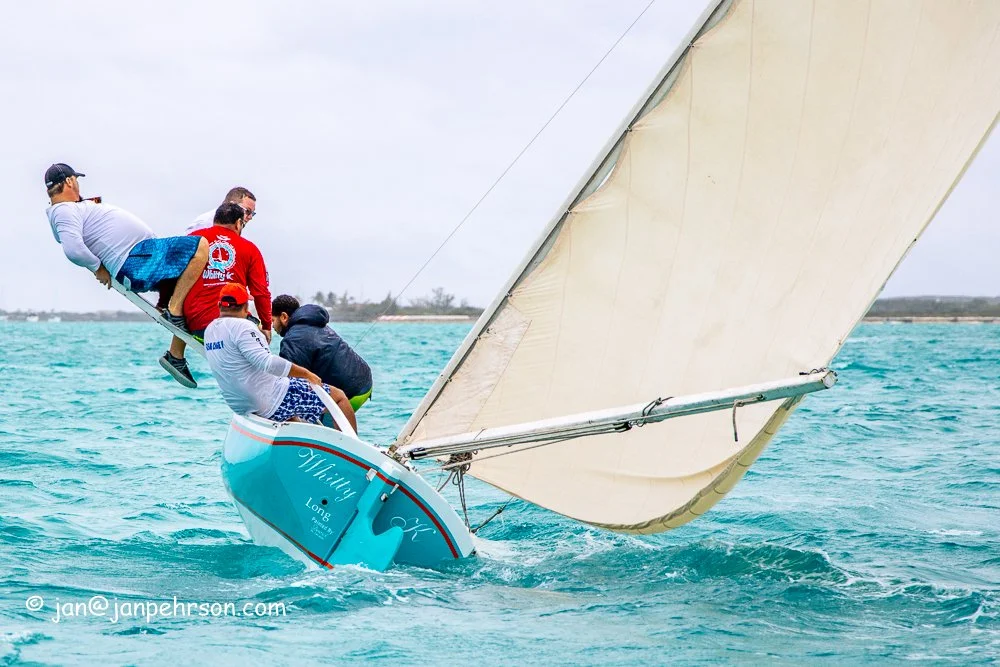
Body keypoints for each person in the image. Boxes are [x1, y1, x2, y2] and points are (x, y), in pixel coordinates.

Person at [44, 161, 209, 338]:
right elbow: (73, 250)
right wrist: (97, 268)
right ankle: (175, 312)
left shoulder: (70, 210)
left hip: (142, 256)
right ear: (69, 181)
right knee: (200, 245)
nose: (78, 184)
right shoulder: (63, 210)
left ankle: (176, 337)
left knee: (186, 279)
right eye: (76, 180)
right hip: (137, 259)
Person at [204, 283, 357, 430]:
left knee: (293, 415)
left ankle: (304, 445)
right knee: (339, 397)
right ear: (245, 307)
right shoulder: (243, 327)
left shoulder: (210, 330)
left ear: (219, 306)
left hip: (240, 405)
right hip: (269, 401)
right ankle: (353, 451)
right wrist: (307, 374)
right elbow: (268, 363)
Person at [159, 201, 272, 388]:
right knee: (257, 330)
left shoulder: (194, 239)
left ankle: (176, 355)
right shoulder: (249, 248)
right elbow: (261, 294)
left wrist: (163, 303)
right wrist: (267, 327)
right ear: (238, 223)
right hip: (232, 329)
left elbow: (169, 274)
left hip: (196, 327)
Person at [272, 295, 374, 411]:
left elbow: (290, 383)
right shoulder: (315, 323)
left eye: (273, 320)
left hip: (351, 392)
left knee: (309, 419)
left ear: (284, 317)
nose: (272, 326)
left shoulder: (292, 340)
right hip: (366, 381)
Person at [186, 186, 256, 234]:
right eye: (247, 211)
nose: (250, 217)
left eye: (252, 213)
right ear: (232, 205)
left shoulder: (231, 226)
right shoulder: (204, 224)